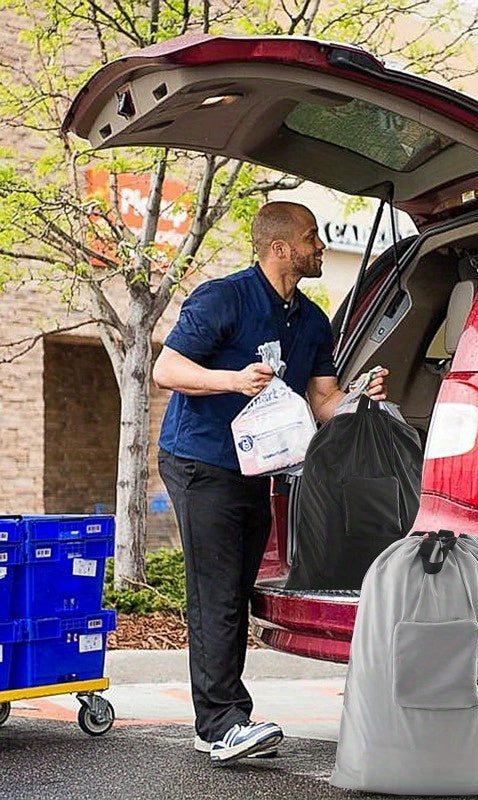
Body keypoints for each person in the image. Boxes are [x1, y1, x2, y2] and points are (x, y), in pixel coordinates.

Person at [153, 201, 389, 765]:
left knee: (235, 589)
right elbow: (167, 369)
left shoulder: (310, 318)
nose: (321, 247)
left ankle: (225, 719)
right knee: (217, 592)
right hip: (199, 460)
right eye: (312, 238)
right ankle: (219, 724)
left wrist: (361, 397)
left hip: (257, 470)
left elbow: (324, 400)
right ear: (280, 248)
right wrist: (231, 380)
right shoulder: (223, 298)